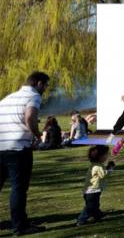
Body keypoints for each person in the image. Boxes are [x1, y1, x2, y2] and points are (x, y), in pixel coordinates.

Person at [0, 71, 50, 236]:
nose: (46, 89)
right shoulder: (34, 96)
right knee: (18, 189)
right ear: (38, 83)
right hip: (18, 149)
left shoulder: (7, 98)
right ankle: (20, 226)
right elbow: (30, 117)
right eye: (46, 85)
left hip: (1, 146)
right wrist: (37, 135)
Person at [76, 145, 114, 226]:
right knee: (90, 206)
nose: (107, 156)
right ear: (100, 156)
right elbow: (104, 175)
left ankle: (98, 215)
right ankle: (81, 220)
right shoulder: (98, 166)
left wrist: (107, 167)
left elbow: (102, 172)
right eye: (106, 154)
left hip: (90, 190)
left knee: (95, 204)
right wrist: (110, 168)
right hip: (92, 191)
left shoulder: (95, 164)